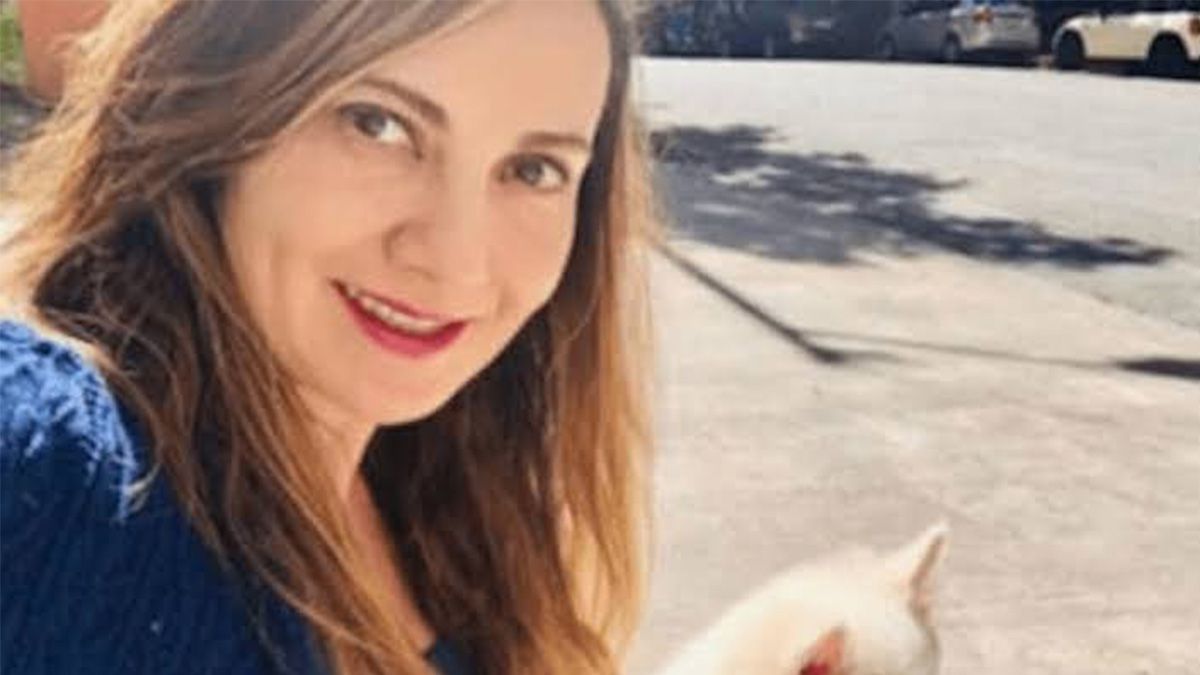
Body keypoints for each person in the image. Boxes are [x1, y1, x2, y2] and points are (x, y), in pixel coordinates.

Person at [0, 1, 657, 673]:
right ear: (220, 97)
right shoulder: (47, 464)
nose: (456, 262)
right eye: (378, 124)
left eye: (534, 169)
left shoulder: (468, 505)